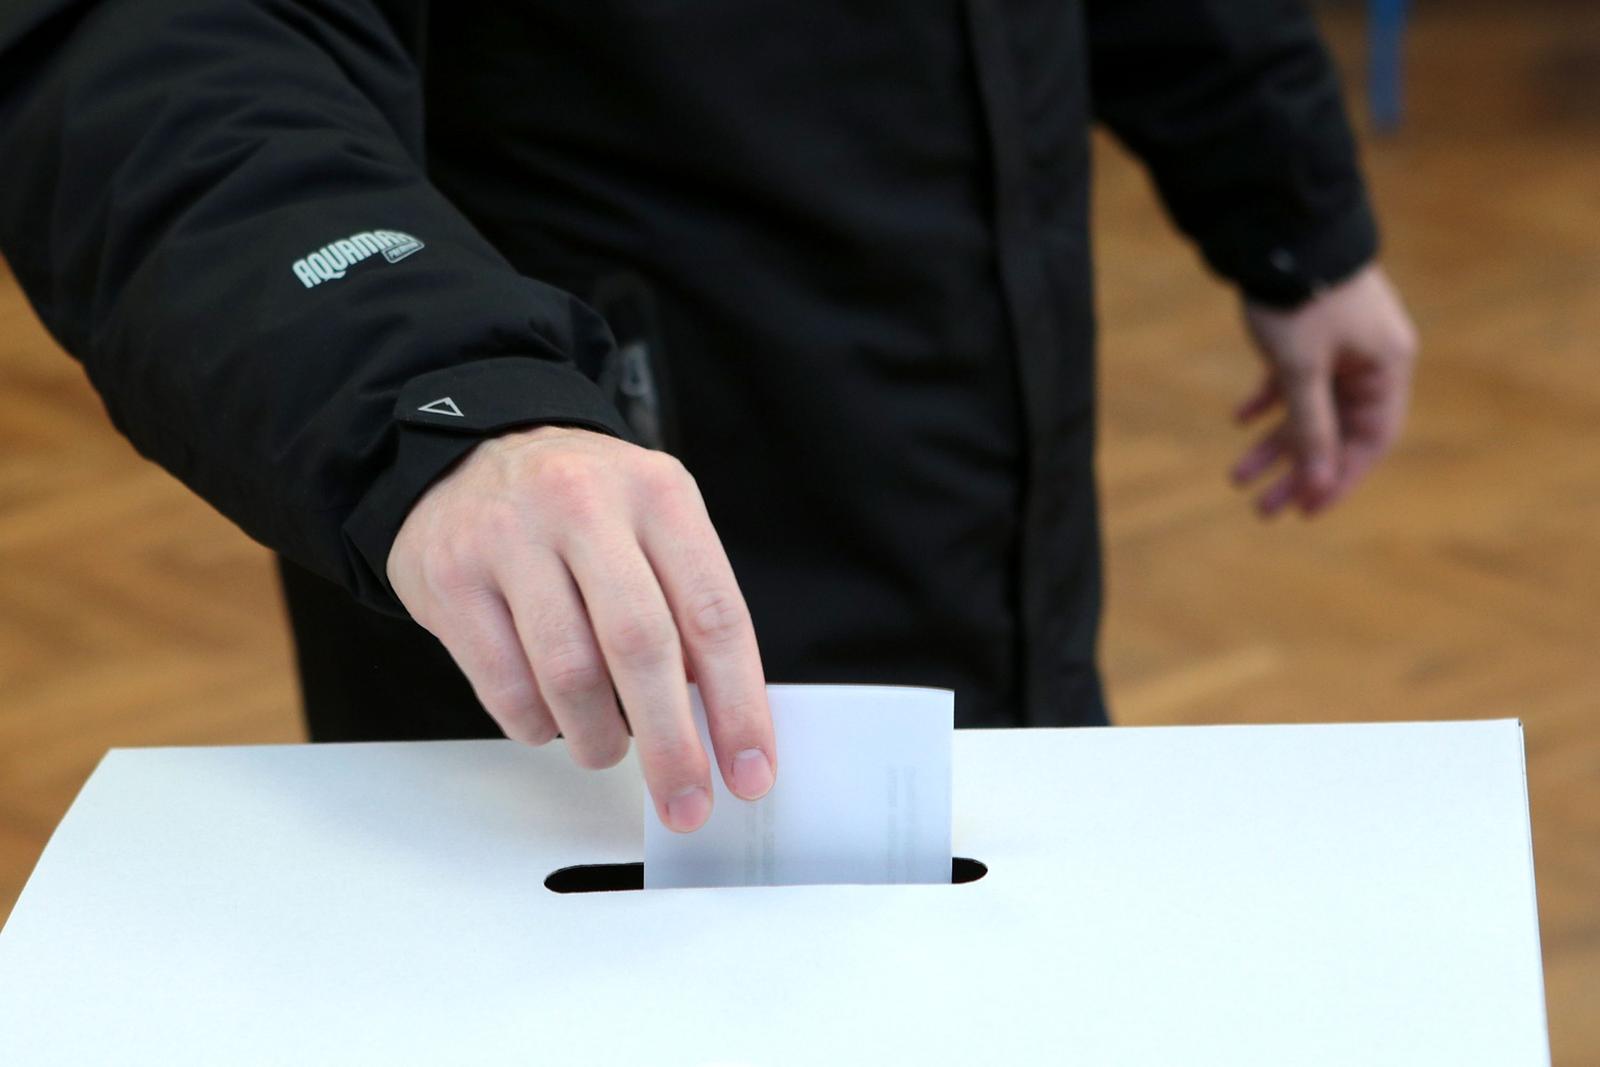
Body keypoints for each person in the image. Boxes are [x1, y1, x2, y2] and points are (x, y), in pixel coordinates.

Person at [0, 0, 1416, 834]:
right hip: (577, 533)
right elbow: (158, 44)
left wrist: (1286, 203)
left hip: (984, 486)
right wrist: (440, 390)